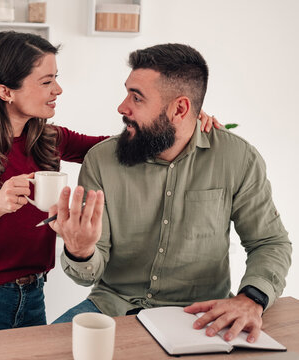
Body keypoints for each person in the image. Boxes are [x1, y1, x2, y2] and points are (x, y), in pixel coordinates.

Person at [0, 33, 218, 337]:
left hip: (32, 297)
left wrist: (179, 120)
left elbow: (116, 149)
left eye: (55, 78)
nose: (57, 89)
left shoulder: (46, 138)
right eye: (46, 82)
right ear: (6, 91)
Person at [49, 43, 292, 344]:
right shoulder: (101, 161)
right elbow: (86, 273)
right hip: (114, 308)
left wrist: (251, 298)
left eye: (136, 97)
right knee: (43, 349)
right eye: (127, 93)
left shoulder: (238, 158)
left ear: (180, 108)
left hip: (202, 315)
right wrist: (81, 250)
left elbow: (269, 242)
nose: (122, 107)